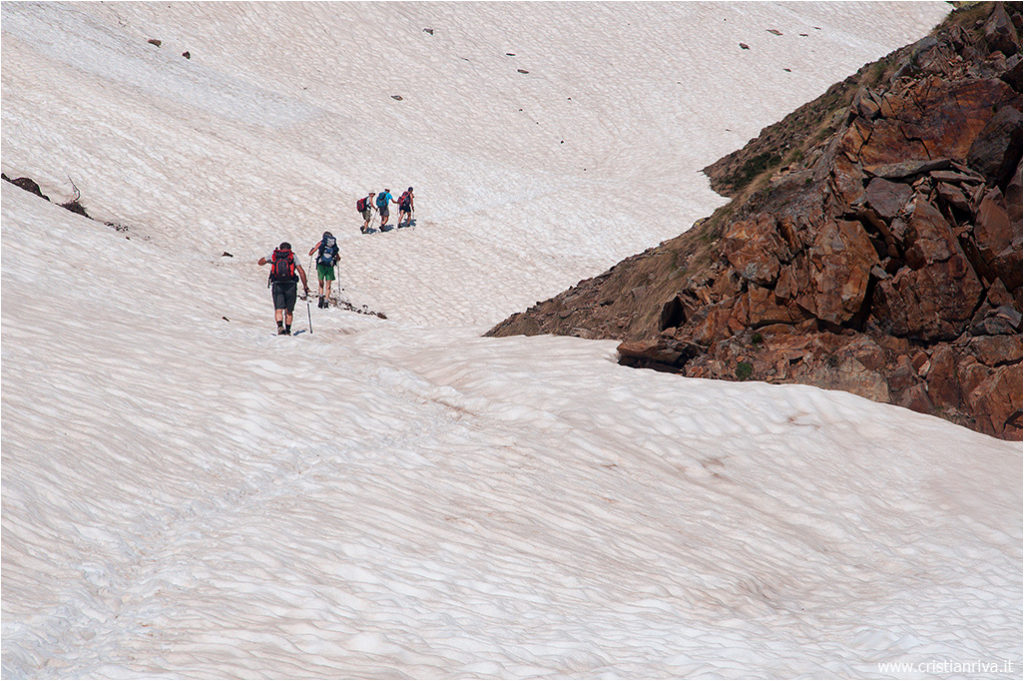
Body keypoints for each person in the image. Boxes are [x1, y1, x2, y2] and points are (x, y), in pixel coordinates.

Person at [258, 242, 309, 335]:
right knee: (289, 310)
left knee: (278, 308)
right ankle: (288, 330)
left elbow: (260, 262)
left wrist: (269, 258)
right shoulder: (292, 256)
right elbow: (301, 271)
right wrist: (305, 286)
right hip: (291, 285)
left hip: (277, 284)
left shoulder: (274, 255)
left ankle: (280, 326)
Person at [307, 231, 339, 308]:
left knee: (321, 283)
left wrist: (312, 250)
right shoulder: (333, 246)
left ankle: (320, 298)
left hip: (321, 265)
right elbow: (338, 258)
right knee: (328, 285)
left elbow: (310, 253)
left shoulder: (321, 243)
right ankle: (326, 301)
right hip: (330, 266)